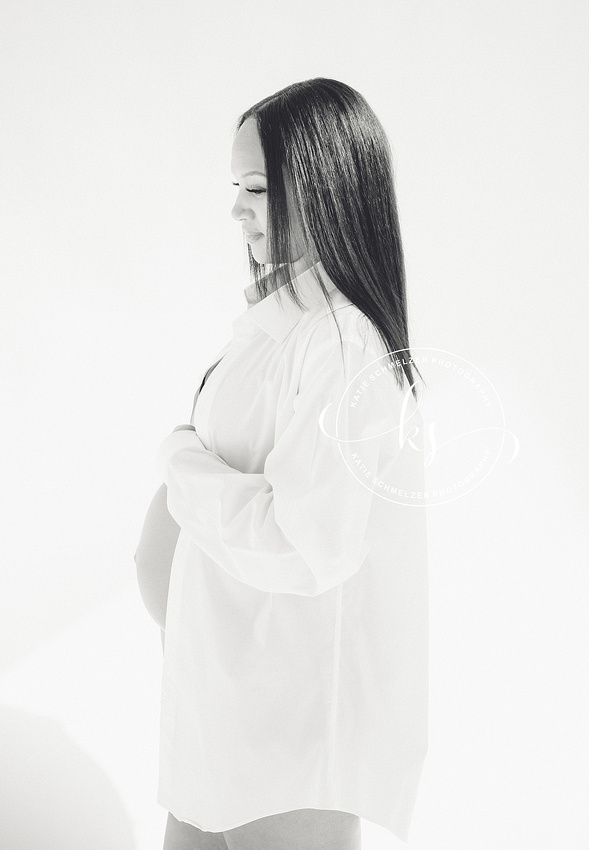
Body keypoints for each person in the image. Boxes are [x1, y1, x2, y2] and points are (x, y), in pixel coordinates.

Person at [135, 78, 428, 850]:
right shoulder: (270, 332)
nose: (236, 209)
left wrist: (179, 462)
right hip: (218, 720)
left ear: (323, 190)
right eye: (236, 187)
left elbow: (303, 544)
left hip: (284, 738)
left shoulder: (340, 346)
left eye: (257, 188)